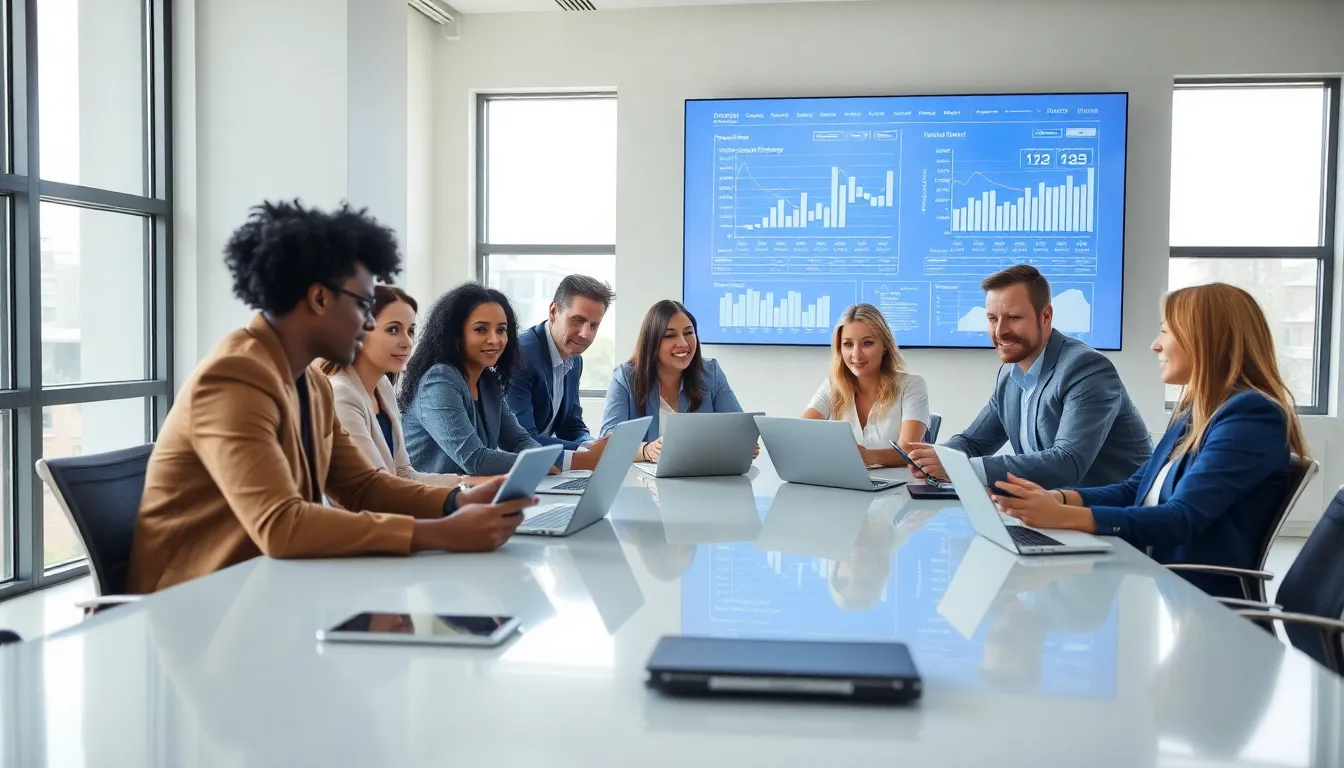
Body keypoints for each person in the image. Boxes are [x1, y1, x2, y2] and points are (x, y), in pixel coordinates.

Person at [127, 201, 533, 594]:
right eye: (363, 306)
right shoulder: (234, 377)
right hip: (196, 606)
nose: (370, 323)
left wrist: (455, 502)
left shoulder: (312, 383)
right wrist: (440, 533)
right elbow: (281, 526)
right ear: (320, 298)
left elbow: (361, 487)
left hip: (268, 590)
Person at [990, 283, 1309, 599]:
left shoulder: (1250, 416)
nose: (1156, 345)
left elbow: (1181, 519)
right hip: (1160, 582)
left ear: (1205, 340)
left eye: (1166, 332)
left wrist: (1065, 517)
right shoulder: (1194, 412)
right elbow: (1133, 490)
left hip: (1202, 604)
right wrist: (1055, 499)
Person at [907, 264, 1151, 489]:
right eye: (992, 319)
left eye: (1013, 317)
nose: (1000, 331)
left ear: (1045, 316)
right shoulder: (1009, 374)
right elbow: (973, 442)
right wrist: (935, 457)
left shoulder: (1087, 369)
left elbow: (1067, 463)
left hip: (1113, 519)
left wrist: (959, 468)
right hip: (1050, 510)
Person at [399, 283, 607, 476]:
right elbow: (475, 460)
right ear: (456, 334)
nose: (494, 340)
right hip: (431, 507)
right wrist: (541, 464)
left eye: (501, 330)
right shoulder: (439, 382)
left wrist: (539, 459)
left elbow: (519, 439)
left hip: (472, 498)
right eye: (481, 329)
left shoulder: (487, 381)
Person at [321, 286, 465, 489]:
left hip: (391, 510)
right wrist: (456, 500)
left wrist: (466, 484)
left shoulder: (383, 385)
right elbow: (374, 488)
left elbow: (403, 474)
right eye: (393, 330)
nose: (407, 342)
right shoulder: (341, 395)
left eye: (411, 331)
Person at [601, 299, 746, 462]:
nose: (683, 343)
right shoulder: (625, 378)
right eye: (670, 336)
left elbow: (738, 427)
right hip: (641, 484)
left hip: (702, 479)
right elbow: (607, 442)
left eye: (689, 333)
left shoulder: (710, 372)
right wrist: (645, 451)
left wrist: (744, 444)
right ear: (652, 342)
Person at [803, 303, 929, 468]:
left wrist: (868, 456)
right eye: (848, 344)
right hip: (846, 486)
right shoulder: (832, 385)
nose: (856, 354)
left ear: (884, 345)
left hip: (898, 489)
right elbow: (802, 431)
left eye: (867, 343)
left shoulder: (912, 386)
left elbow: (908, 450)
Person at [506, 274, 613, 451]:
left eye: (594, 325)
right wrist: (584, 454)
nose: (585, 334)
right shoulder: (520, 355)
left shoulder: (575, 361)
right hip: (504, 469)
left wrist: (593, 445)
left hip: (543, 466)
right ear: (554, 312)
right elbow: (522, 439)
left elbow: (571, 426)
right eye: (577, 320)